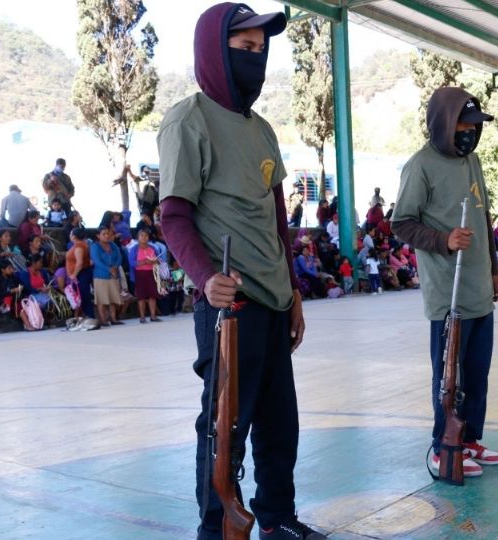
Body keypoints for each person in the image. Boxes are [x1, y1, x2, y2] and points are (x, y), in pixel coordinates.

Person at [156, 5, 319, 538]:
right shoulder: (189, 120)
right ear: (213, 52)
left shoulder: (264, 130)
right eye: (244, 49)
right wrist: (206, 278)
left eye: (260, 50)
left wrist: (293, 290)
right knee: (224, 429)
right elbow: (174, 216)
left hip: (273, 300)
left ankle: (277, 518)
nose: (256, 59)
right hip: (228, 305)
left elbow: (277, 220)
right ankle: (216, 528)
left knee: (280, 425)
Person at [392, 86, 498, 478]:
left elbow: (483, 217)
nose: (471, 132)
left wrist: (493, 268)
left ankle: (469, 439)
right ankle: (444, 446)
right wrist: (443, 241)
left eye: (476, 125)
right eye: (464, 123)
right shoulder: (420, 166)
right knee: (449, 377)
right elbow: (401, 223)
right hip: (448, 292)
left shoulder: (472, 161)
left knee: (477, 375)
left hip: (478, 287)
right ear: (444, 122)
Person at [128, 229, 165, 323]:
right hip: (140, 274)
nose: (144, 238)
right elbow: (132, 263)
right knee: (141, 296)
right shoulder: (134, 249)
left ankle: (153, 316)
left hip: (152, 273)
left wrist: (155, 261)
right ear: (138, 238)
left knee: (153, 295)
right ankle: (142, 317)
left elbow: (159, 260)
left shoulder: (153, 248)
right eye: (142, 236)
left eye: (146, 236)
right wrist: (145, 261)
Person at [90, 228, 123, 326]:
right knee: (102, 299)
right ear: (98, 236)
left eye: (108, 234)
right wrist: (109, 269)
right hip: (100, 275)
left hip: (113, 274)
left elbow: (119, 257)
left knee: (113, 298)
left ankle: (113, 318)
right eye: (103, 234)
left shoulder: (113, 245)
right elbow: (97, 261)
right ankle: (103, 319)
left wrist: (115, 267)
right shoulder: (95, 246)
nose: (106, 236)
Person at [66, 228, 95, 318]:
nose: (69, 235)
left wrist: (74, 274)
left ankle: (90, 316)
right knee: (81, 296)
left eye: (71, 233)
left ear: (74, 236)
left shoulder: (79, 246)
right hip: (80, 273)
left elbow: (79, 263)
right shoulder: (78, 245)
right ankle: (87, 316)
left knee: (84, 295)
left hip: (81, 273)